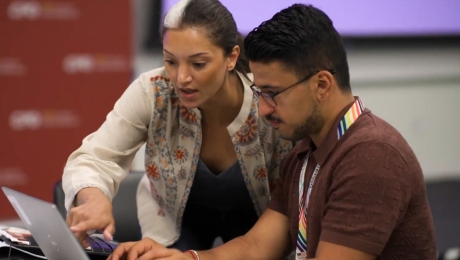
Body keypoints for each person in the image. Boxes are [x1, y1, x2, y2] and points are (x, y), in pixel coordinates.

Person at [107, 3, 437, 260]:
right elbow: (255, 247)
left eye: (272, 94)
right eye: (260, 94)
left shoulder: (370, 157)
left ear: (321, 84)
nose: (263, 110)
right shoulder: (305, 152)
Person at [61, 0, 293, 251]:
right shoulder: (152, 91)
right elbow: (95, 157)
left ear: (231, 57)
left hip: (261, 224)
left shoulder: (267, 101)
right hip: (174, 224)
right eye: (171, 61)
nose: (181, 78)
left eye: (198, 64)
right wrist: (93, 197)